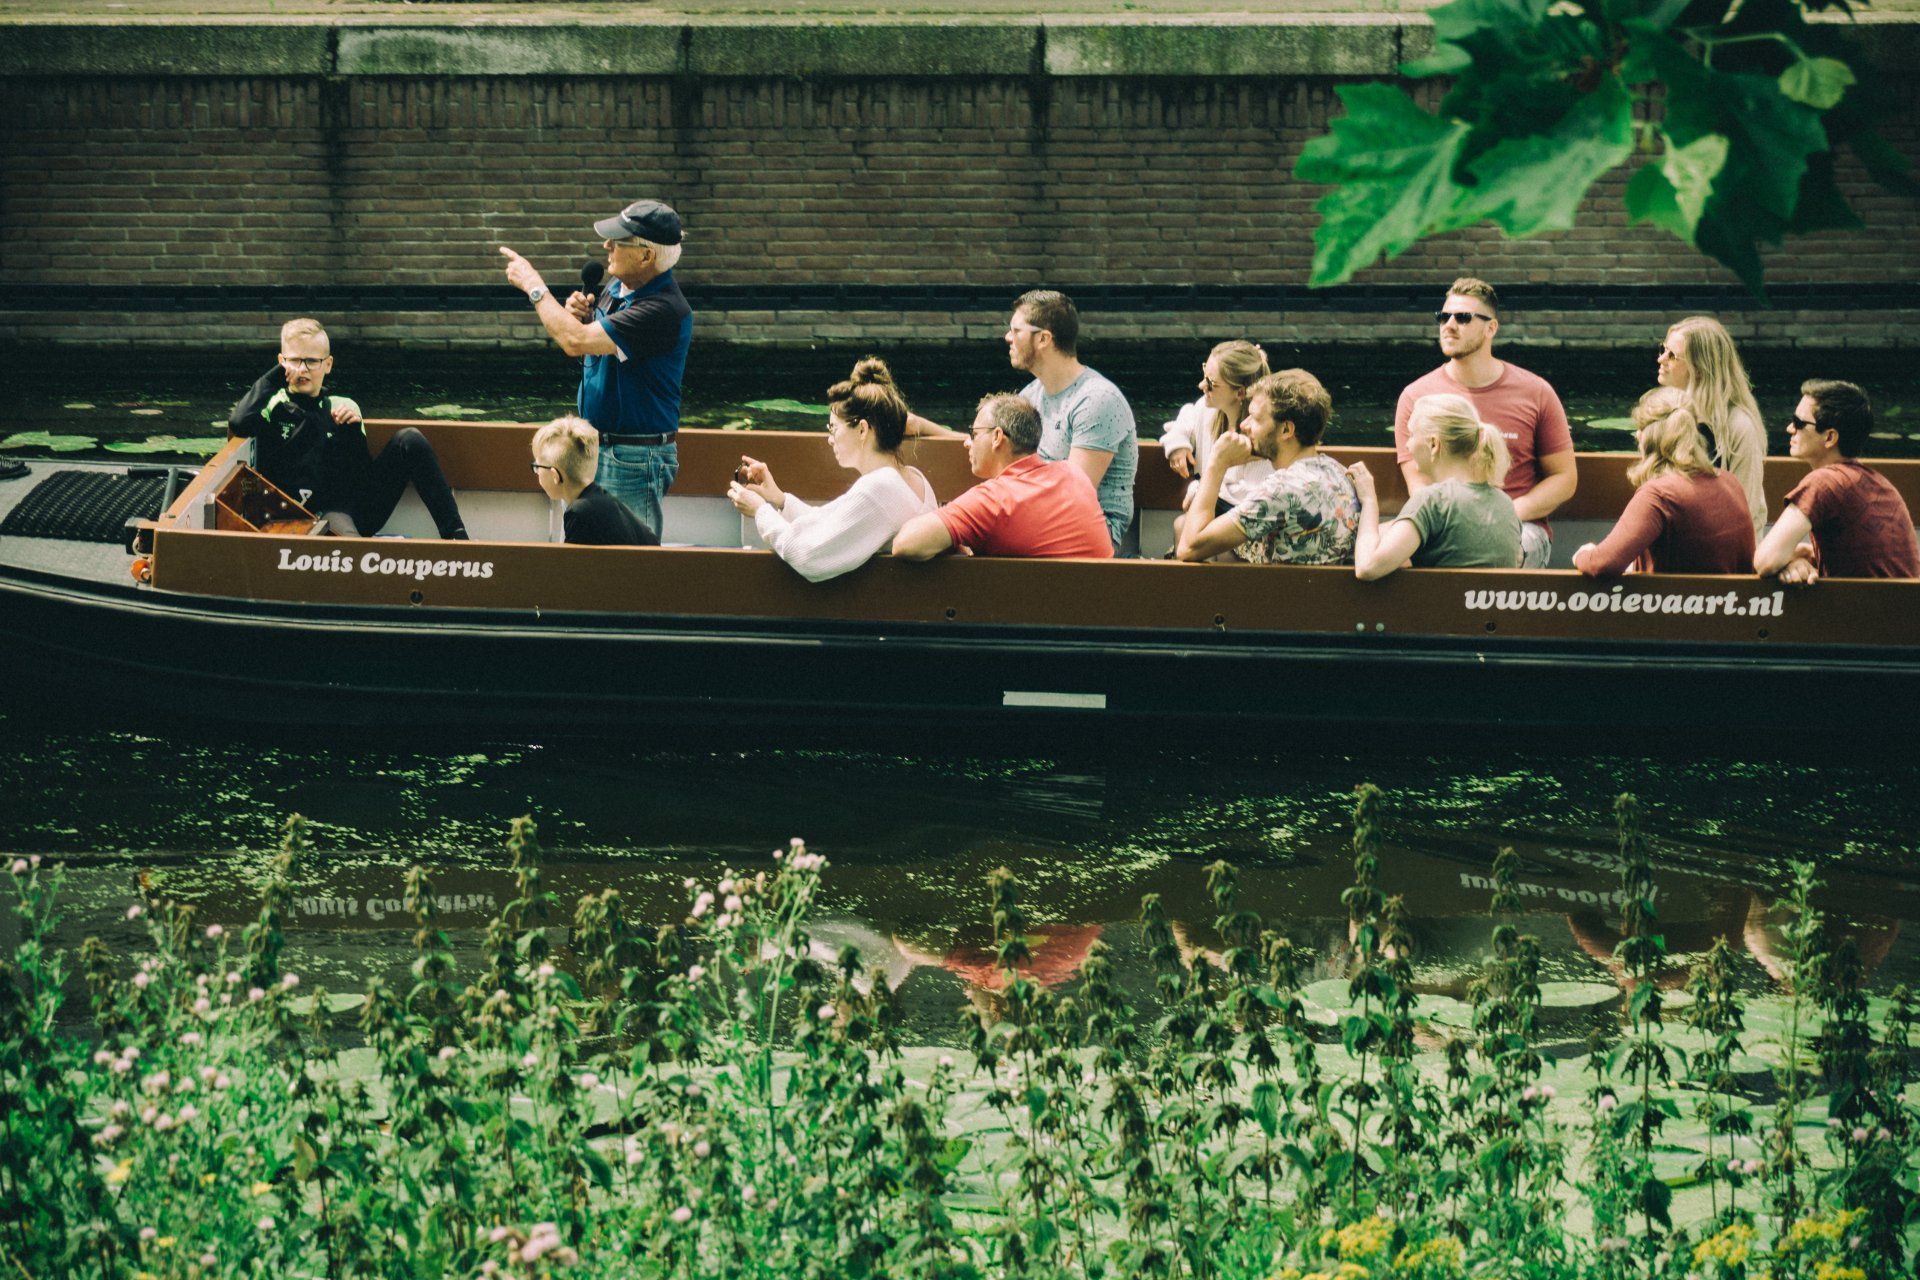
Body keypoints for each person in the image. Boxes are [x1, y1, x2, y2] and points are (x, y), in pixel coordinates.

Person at [498, 198, 691, 538]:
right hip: (596, 448)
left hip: (633, 457)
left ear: (646, 256)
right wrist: (582, 319)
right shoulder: (617, 288)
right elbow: (583, 344)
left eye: (619, 241)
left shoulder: (663, 310)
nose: (607, 246)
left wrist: (534, 287)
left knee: (631, 565)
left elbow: (574, 342)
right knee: (586, 552)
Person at [227, 318, 468, 540]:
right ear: (281, 363)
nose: (303, 369)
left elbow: (359, 482)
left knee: (410, 440)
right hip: (287, 515)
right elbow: (238, 423)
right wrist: (273, 379)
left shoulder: (344, 406)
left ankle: (457, 539)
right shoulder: (271, 404)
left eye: (312, 361)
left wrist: (351, 434)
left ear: (328, 365)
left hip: (341, 511)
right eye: (294, 361)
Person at [1394, 278, 1574, 567]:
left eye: (1463, 318)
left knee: (1507, 549)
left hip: (1521, 527)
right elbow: (1420, 486)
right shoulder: (1416, 397)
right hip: (1445, 525)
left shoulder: (1536, 391)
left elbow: (1564, 479)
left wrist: (1506, 513)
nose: (1449, 325)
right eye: (1443, 317)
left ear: (1491, 328)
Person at [727, 358, 937, 582]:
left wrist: (760, 511)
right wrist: (779, 500)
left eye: (833, 428)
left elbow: (807, 557)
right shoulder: (913, 478)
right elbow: (830, 524)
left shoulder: (879, 488)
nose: (829, 439)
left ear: (863, 430)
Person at [891, 394, 1112, 560]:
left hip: (1032, 617)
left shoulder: (992, 500)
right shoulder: (1074, 475)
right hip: (1104, 613)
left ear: (997, 437)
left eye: (975, 434)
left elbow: (905, 544)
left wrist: (952, 538)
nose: (969, 442)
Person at [1173, 369, 1357, 565]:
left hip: (1276, 593)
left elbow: (1188, 548)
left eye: (1255, 418)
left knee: (1185, 529)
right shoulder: (1336, 470)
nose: (1244, 424)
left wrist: (1217, 465)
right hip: (1316, 591)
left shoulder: (1282, 490)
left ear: (1286, 429)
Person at [1007, 290, 1139, 553]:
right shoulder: (1030, 396)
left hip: (1095, 531)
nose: (1008, 337)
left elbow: (1074, 496)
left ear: (1044, 338)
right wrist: (919, 426)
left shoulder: (1097, 399)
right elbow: (998, 444)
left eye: (1016, 330)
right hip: (1041, 518)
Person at [1571, 391, 1754, 576]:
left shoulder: (1659, 495)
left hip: (1675, 603)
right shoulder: (1731, 482)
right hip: (1732, 602)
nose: (1637, 436)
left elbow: (1602, 563)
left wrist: (1584, 554)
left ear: (1646, 438)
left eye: (1639, 430)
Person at [1753, 380, 1919, 582]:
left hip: (1862, 611)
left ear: (1830, 437)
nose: (1789, 428)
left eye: (1799, 423)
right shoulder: (1880, 484)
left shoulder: (1825, 482)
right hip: (1899, 609)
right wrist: (1805, 557)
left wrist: (1791, 560)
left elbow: (1765, 560)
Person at [1351, 393, 1520, 579]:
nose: (1408, 445)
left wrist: (1369, 501)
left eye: (1412, 435)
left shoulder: (1432, 500)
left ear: (1434, 444)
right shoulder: (1505, 503)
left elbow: (1367, 567)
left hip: (1442, 607)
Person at [1658, 316, 1768, 538]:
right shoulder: (1665, 413)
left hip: (1726, 547)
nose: (1661, 359)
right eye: (1663, 349)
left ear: (1698, 369)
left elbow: (1744, 509)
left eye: (1672, 355)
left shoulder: (1739, 426)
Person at [1161, 340, 1273, 544]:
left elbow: (1246, 501)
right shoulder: (1208, 410)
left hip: (1248, 528)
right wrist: (1178, 444)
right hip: (1216, 513)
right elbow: (1184, 419)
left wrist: (1197, 488)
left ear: (1239, 393)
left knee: (1185, 527)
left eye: (1211, 383)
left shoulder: (1261, 434)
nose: (1202, 385)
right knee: (1181, 525)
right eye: (1204, 374)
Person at [529, 416, 659, 547]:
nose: (537, 472)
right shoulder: (603, 500)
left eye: (537, 467)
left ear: (555, 476)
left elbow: (571, 565)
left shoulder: (580, 515)